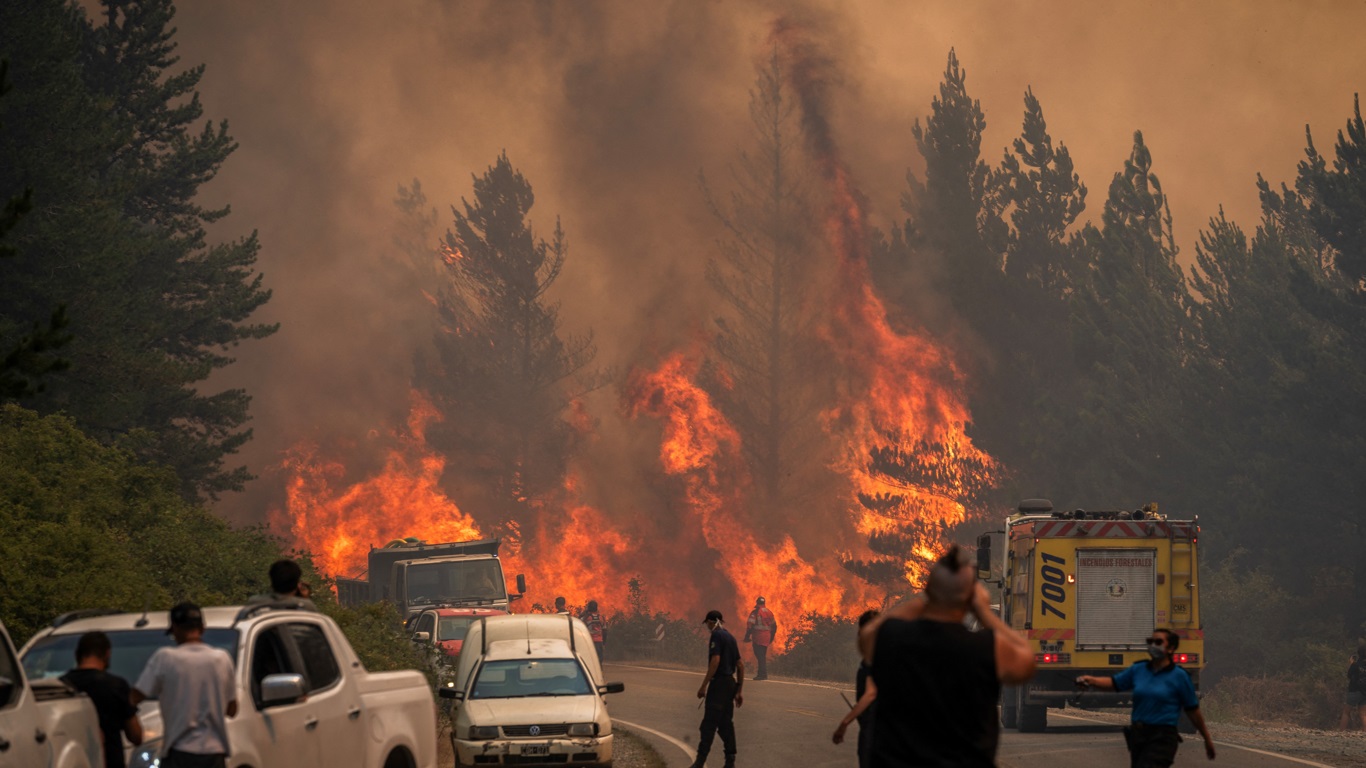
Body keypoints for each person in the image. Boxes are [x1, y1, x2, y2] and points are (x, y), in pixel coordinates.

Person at [859, 545, 1035, 768]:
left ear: (929, 589)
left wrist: (923, 601)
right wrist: (984, 612)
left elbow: (866, 636)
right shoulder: (986, 648)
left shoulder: (893, 637)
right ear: (970, 598)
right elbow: (1026, 659)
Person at [1078, 628, 1216, 766]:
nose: (1153, 645)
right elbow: (1114, 683)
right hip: (1139, 736)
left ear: (1171, 648)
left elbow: (1193, 710)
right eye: (1150, 641)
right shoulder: (1138, 669)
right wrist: (1092, 680)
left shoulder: (1179, 676)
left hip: (1163, 736)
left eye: (1158, 642)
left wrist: (1207, 739)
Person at [133, 602, 238, 768]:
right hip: (214, 754)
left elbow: (136, 696)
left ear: (175, 629)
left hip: (179, 753)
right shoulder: (222, 659)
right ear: (202, 628)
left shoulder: (165, 658)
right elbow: (232, 710)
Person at [61, 631, 143, 768]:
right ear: (107, 654)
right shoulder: (116, 686)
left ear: (77, 655)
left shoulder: (61, 686)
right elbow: (136, 736)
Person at [692, 609, 744, 768]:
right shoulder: (731, 637)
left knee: (708, 725)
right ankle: (730, 761)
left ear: (711, 622)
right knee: (725, 724)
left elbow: (715, 661)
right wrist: (738, 690)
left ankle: (699, 762)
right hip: (730, 685)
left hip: (719, 685)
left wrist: (703, 685)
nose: (707, 627)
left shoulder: (716, 636)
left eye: (707, 624)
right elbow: (740, 665)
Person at [832, 610, 879, 768]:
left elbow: (870, 694)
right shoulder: (883, 654)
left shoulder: (876, 657)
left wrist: (844, 723)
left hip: (875, 727)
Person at [247, 558, 317, 610]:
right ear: (297, 585)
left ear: (272, 580)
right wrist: (304, 598)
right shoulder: (306, 606)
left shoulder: (255, 603)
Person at [743, 596, 778, 680]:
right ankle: (761, 674)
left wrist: (747, 637)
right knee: (762, 655)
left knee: (760, 656)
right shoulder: (769, 612)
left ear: (757, 603)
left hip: (758, 638)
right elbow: (774, 626)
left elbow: (750, 625)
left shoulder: (755, 612)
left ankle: (762, 675)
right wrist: (771, 637)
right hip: (767, 637)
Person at [1341, 646, 1366, 730]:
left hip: (1354, 691)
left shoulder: (1355, 665)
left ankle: (1341, 732)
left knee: (1346, 712)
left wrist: (1351, 664)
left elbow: (1349, 675)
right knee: (1363, 714)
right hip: (1365, 692)